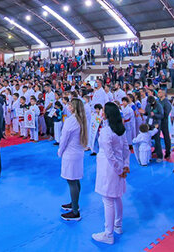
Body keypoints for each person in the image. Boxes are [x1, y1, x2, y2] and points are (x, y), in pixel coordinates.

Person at [92, 102, 128, 245]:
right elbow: (126, 149)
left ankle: (108, 233)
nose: (101, 112)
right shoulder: (120, 129)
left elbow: (109, 154)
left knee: (108, 199)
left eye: (103, 111)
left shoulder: (107, 131)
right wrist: (125, 166)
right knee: (117, 196)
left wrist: (119, 169)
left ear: (107, 114)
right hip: (118, 165)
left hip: (110, 168)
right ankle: (118, 226)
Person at [58, 98, 88, 221]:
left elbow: (64, 139)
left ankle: (75, 211)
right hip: (78, 152)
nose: (68, 106)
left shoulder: (71, 121)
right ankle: (74, 203)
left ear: (73, 107)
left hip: (70, 154)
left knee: (71, 181)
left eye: (69, 105)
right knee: (75, 180)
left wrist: (60, 151)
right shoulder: (81, 119)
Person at [144, 96, 164, 162]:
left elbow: (161, 115)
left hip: (156, 124)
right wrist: (144, 113)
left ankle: (160, 156)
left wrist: (154, 115)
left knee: (157, 140)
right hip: (149, 124)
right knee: (148, 139)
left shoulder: (158, 105)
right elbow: (147, 112)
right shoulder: (148, 105)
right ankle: (148, 155)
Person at [157, 89, 172, 159]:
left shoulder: (166, 102)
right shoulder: (158, 101)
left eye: (159, 92)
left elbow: (166, 113)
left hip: (164, 121)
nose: (158, 93)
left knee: (166, 136)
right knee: (156, 136)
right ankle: (157, 150)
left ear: (163, 94)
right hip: (158, 121)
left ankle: (168, 151)